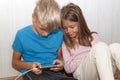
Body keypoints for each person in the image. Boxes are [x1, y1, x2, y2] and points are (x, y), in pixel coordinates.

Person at [12, 0, 77, 80]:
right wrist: (29, 65)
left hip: (54, 73)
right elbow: (15, 62)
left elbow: (59, 56)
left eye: (51, 29)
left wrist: (60, 63)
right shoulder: (22, 35)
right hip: (32, 73)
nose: (46, 34)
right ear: (33, 17)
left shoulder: (59, 33)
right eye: (42, 28)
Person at [60, 3, 120, 80]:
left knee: (114, 47)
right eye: (65, 28)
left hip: (99, 70)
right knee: (100, 47)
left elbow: (102, 55)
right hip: (81, 73)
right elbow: (68, 68)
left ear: (80, 24)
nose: (68, 31)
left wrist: (92, 56)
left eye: (72, 27)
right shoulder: (66, 43)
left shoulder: (93, 36)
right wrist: (87, 57)